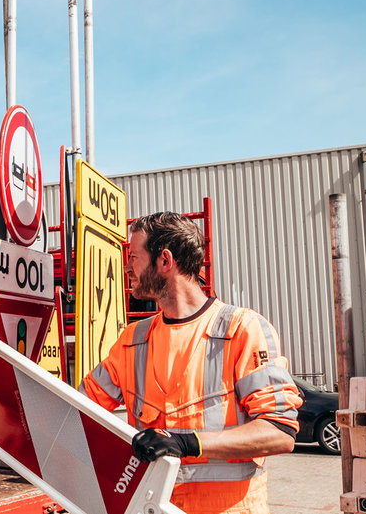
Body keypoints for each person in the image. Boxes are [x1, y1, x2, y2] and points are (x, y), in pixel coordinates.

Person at [79, 212, 303, 514]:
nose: (127, 267)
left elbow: (279, 432)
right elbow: (78, 406)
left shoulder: (241, 329)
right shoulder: (134, 340)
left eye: (134, 257)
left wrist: (188, 443)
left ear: (165, 261)